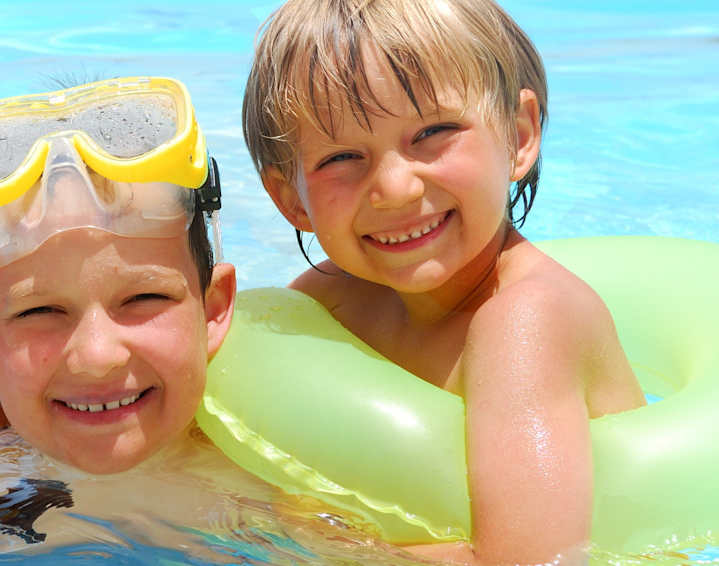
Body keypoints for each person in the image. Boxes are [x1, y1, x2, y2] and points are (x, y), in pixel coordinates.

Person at [0, 77, 385, 564]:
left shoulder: (284, 480)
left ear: (216, 308)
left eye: (145, 298)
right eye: (40, 311)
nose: (96, 355)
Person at [240, 0, 646, 563]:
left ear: (519, 135)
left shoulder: (525, 322)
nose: (396, 188)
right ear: (291, 201)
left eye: (432, 131)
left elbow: (529, 559)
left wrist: (312, 543)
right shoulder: (330, 299)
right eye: (341, 157)